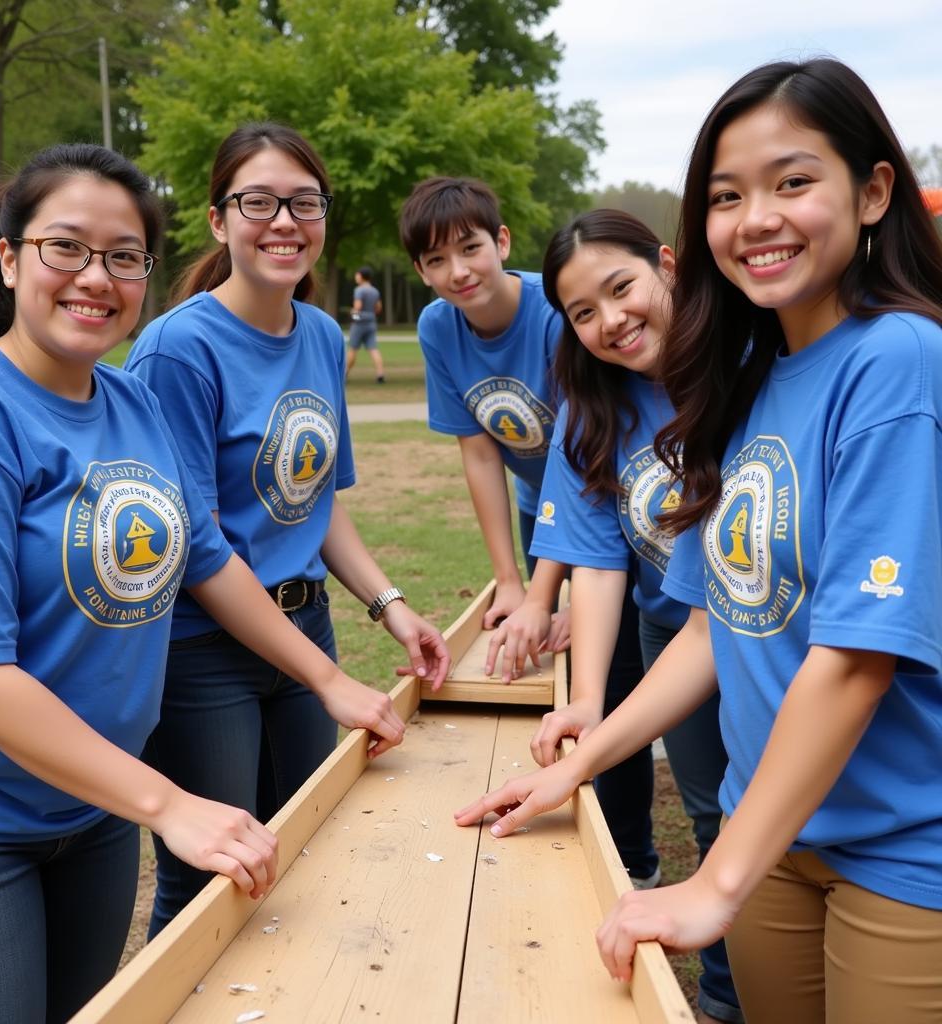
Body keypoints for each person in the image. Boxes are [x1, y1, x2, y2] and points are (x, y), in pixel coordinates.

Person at [456, 58, 942, 1024]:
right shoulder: (750, 379)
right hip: (773, 840)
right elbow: (711, 627)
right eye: (727, 196)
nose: (756, 217)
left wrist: (711, 886)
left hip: (901, 851)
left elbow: (855, 662)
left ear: (875, 190)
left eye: (792, 182)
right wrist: (578, 762)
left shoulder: (899, 360)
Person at [0, 143, 407, 1024]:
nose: (94, 278)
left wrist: (329, 678)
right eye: (65, 247)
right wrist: (171, 804)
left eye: (123, 256)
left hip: (96, 818)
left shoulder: (129, 401)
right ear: (9, 256)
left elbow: (207, 559)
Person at [125, 122, 449, 937]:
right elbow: (196, 548)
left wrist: (390, 605)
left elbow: (317, 503)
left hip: (306, 624)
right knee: (213, 880)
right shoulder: (176, 348)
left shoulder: (322, 336)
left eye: (303, 202)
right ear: (217, 219)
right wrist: (328, 681)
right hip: (204, 654)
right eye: (258, 201)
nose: (283, 221)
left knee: (301, 855)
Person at [510, 208, 740, 1023]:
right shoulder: (590, 405)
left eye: (622, 287)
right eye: (583, 311)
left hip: (771, 635)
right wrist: (587, 698)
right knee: (713, 812)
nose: (611, 321)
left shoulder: (747, 363)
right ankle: (725, 994)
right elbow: (600, 559)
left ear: (667, 266)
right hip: (668, 627)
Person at [399, 176, 656, 887]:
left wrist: (550, 592)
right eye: (435, 262)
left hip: (610, 500)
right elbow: (480, 451)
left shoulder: (557, 311)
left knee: (611, 674)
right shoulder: (436, 328)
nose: (459, 272)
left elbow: (582, 457)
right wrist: (512, 582)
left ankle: (633, 860)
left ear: (502, 242)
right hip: (536, 511)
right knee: (551, 659)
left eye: (471, 248)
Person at [345, 265, 385, 381]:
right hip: (371, 322)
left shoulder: (359, 290)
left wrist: (354, 316)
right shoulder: (375, 290)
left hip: (359, 324)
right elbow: (378, 308)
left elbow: (358, 307)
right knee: (373, 349)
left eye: (357, 275)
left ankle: (344, 374)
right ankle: (380, 374)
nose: (356, 277)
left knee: (352, 348)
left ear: (361, 276)